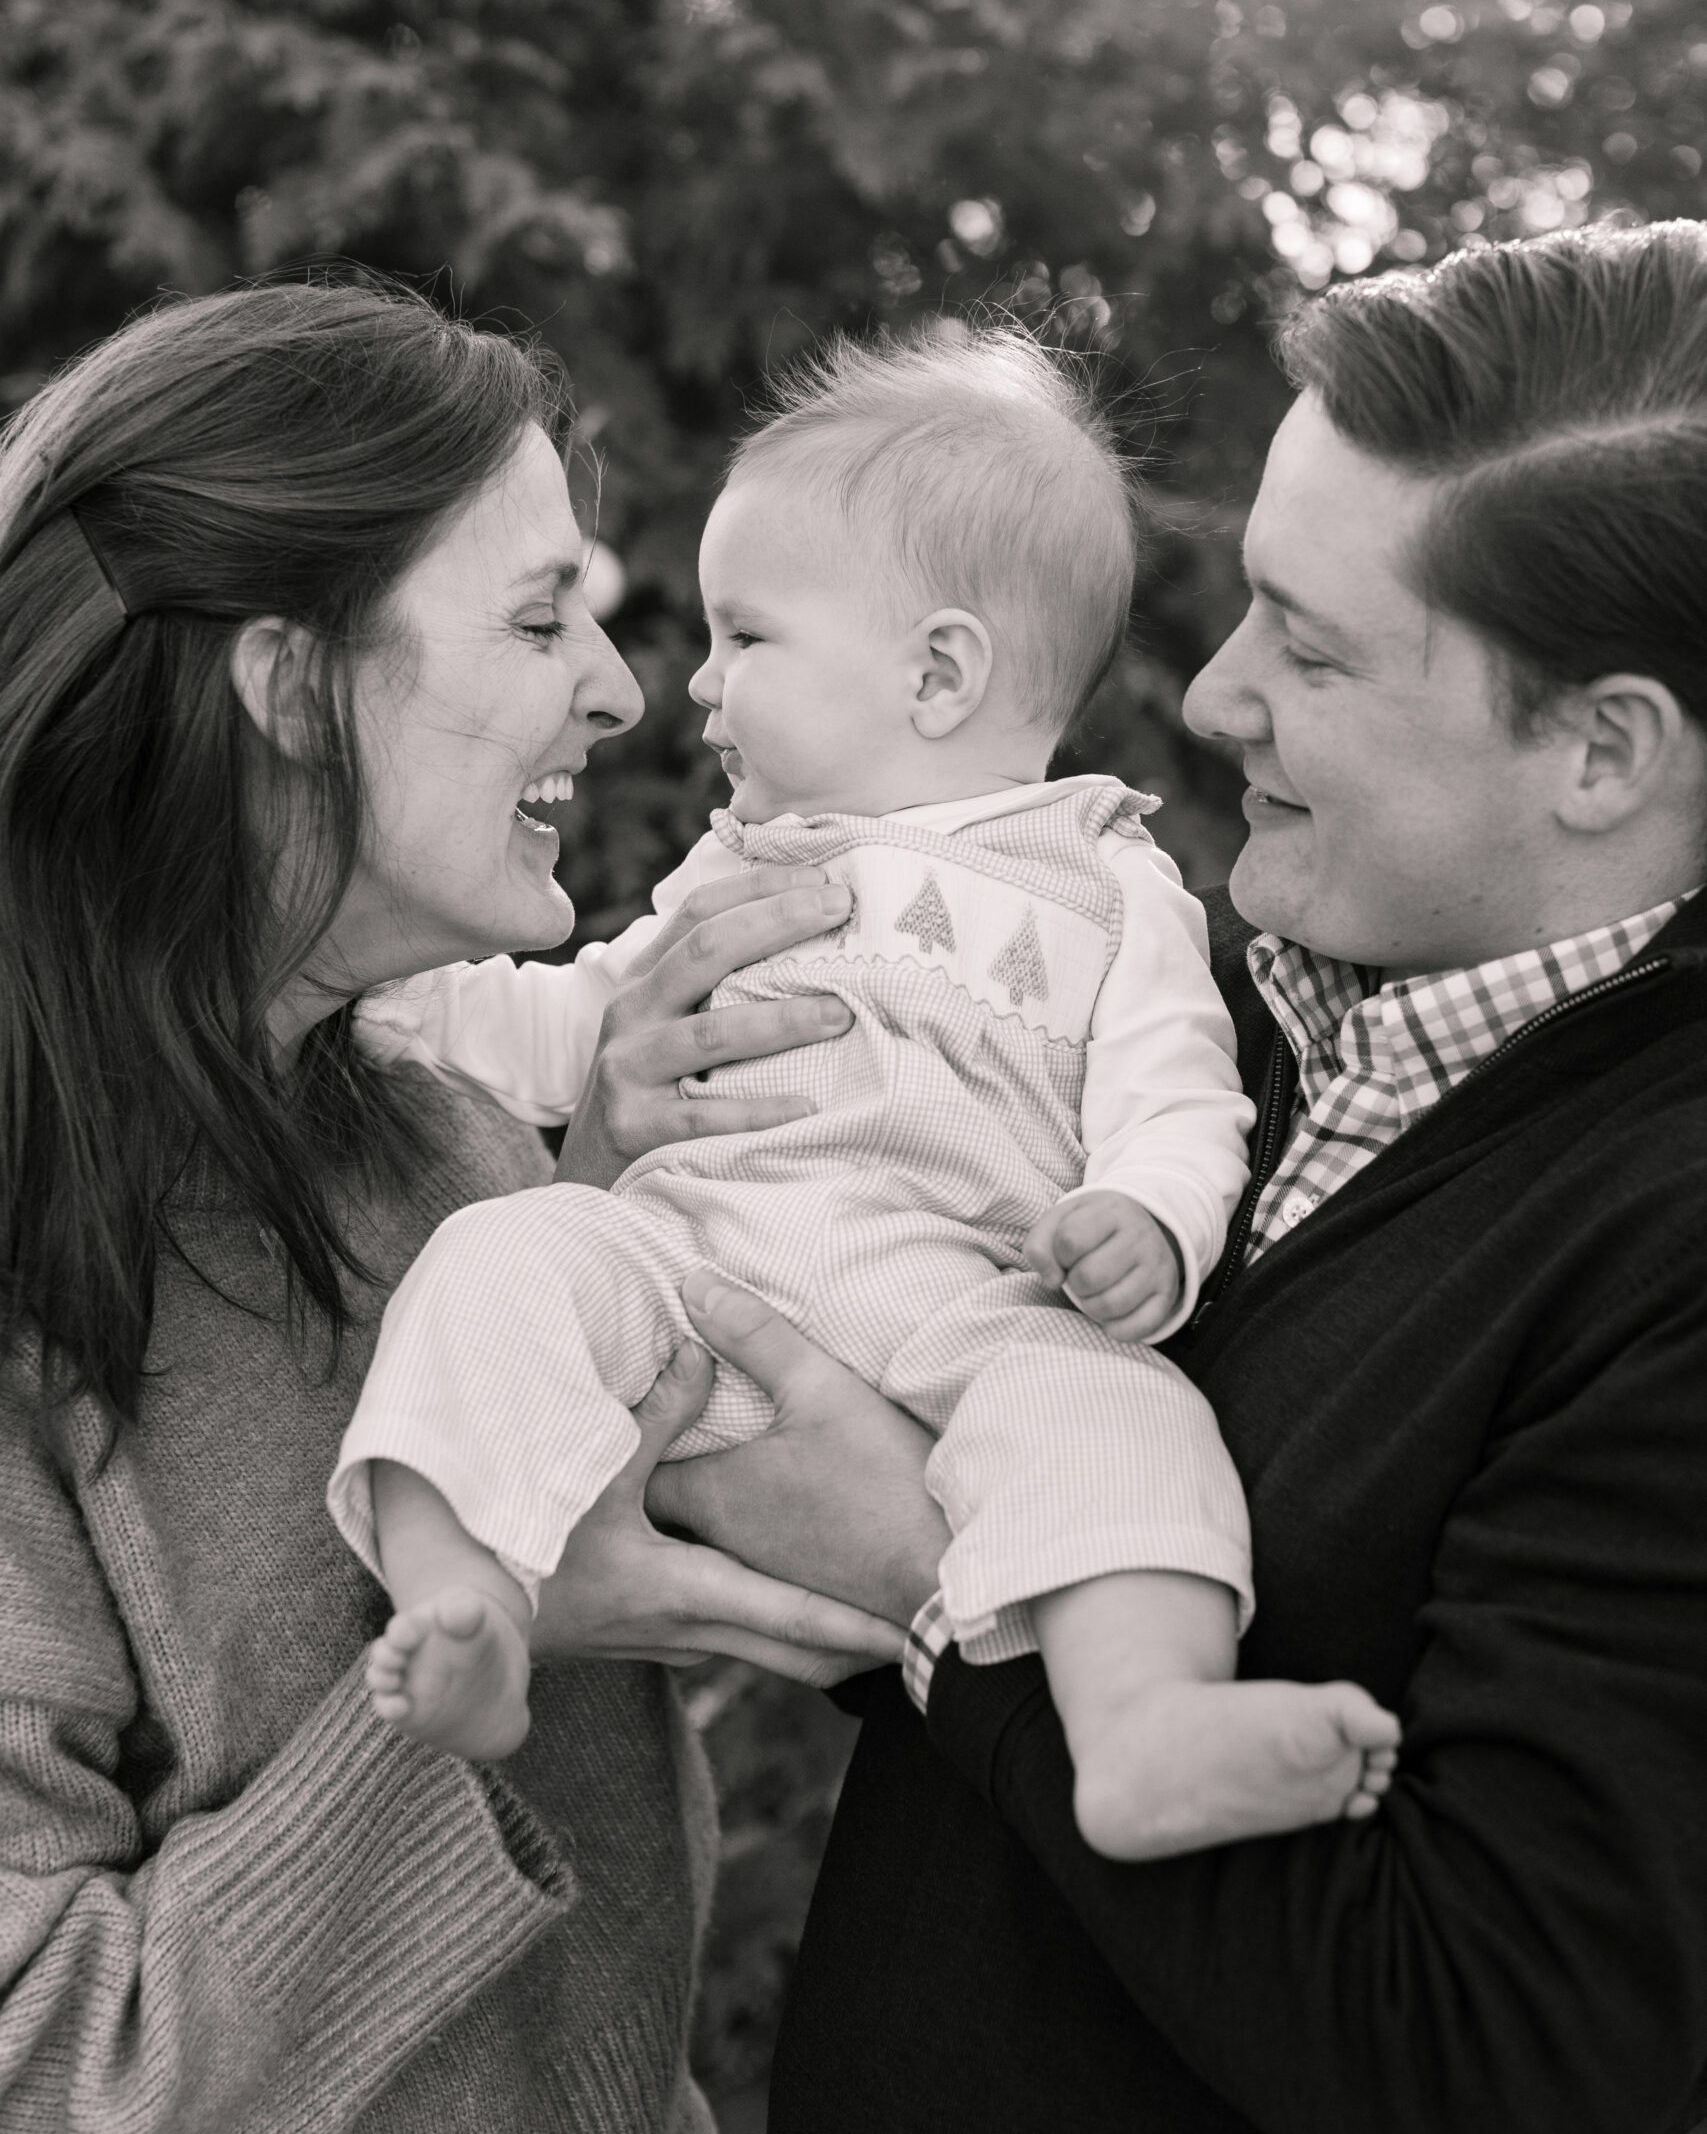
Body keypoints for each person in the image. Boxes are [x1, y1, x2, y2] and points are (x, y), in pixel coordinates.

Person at [631, 222, 1707, 2133]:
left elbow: (1501, 2047)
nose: (1210, 698)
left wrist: (927, 1578)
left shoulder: (1668, 1239)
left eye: (1309, 642)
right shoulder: (1246, 1031)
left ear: (1604, 751)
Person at [0, 278, 899, 2134]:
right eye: (537, 611)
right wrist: (483, 1645)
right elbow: (52, 2065)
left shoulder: (458, 1164)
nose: (626, 687)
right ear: (291, 690)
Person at [332, 331, 1399, 1853]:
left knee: (1113, 1415)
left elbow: (1180, 1093)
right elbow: (583, 1018)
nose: (691, 684)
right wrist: (399, 1005)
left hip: (964, 1304)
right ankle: (468, 1598)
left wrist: (1146, 1222)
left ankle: (1145, 1726)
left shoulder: (1110, 881)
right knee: (503, 1254)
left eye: (745, 640)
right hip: (693, 1272)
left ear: (940, 669)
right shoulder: (739, 866)